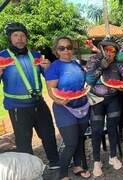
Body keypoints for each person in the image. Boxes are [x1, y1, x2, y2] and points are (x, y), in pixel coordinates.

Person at [0, 22, 59, 169]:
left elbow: (50, 78)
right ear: (9, 38)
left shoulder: (36, 55)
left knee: (49, 135)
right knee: (24, 141)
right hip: (17, 107)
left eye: (22, 35)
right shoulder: (2, 57)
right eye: (15, 35)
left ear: (26, 38)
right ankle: (30, 170)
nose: (19, 38)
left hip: (39, 102)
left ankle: (55, 163)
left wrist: (49, 69)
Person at [45, 36, 91, 180]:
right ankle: (62, 174)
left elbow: (82, 84)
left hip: (82, 106)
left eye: (69, 47)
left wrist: (87, 88)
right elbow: (51, 91)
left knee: (79, 138)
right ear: (56, 50)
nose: (66, 50)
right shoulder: (54, 67)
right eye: (61, 48)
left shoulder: (76, 64)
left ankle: (78, 165)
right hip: (64, 109)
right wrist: (59, 101)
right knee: (71, 142)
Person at [86, 36, 123, 177]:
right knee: (97, 130)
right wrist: (102, 66)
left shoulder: (120, 64)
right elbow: (90, 80)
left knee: (113, 128)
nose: (110, 53)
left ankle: (113, 156)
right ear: (102, 49)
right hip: (96, 100)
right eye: (107, 49)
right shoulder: (94, 60)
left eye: (113, 50)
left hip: (113, 100)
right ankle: (97, 162)